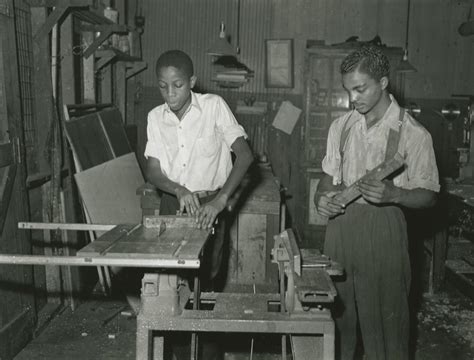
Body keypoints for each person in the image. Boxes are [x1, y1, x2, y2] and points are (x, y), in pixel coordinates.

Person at [314, 45, 439, 360]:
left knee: (385, 326)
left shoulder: (413, 134)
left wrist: (395, 194)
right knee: (335, 321)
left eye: (360, 88)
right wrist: (322, 199)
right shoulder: (341, 127)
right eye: (348, 90)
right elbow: (328, 178)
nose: (353, 98)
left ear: (383, 82)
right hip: (340, 231)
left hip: (384, 233)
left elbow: (430, 196)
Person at [145, 49, 254, 283]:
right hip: (173, 201)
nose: (170, 94)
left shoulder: (214, 107)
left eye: (178, 85)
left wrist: (220, 201)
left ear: (192, 82)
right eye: (163, 86)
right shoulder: (155, 117)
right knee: (170, 277)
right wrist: (178, 189)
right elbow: (152, 169)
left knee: (208, 276)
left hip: (210, 204)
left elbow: (245, 156)